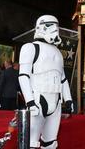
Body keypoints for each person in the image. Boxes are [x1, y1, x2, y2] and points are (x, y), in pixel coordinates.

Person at [18, 15, 73, 148]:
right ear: (39, 27)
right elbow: (23, 76)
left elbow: (63, 78)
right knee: (31, 142)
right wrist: (30, 101)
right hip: (38, 98)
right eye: (49, 25)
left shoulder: (58, 53)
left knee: (51, 142)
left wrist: (69, 99)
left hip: (55, 101)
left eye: (56, 25)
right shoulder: (30, 47)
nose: (55, 29)